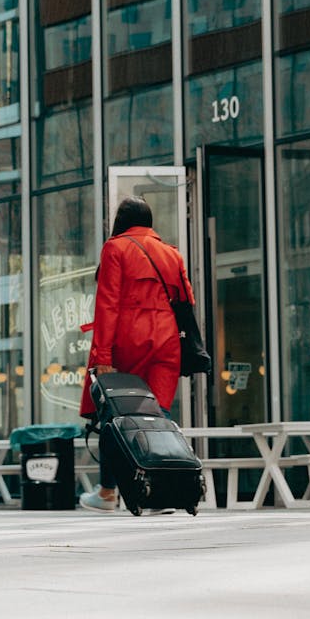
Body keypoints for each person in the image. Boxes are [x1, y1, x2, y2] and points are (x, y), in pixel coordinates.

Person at [78, 195, 195, 513]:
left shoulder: (115, 248)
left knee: (115, 414)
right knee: (158, 415)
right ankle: (161, 491)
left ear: (122, 220)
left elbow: (108, 304)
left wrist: (102, 357)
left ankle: (107, 493)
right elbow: (187, 301)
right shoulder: (172, 253)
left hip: (129, 340)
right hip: (167, 341)